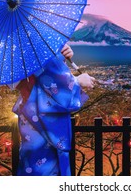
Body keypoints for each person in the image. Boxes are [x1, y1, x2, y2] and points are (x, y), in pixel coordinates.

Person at [12, 44, 95, 176]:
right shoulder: (37, 46)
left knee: (32, 164)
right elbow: (57, 86)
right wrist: (78, 81)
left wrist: (60, 57)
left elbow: (37, 81)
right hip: (45, 121)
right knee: (48, 168)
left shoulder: (17, 48)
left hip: (29, 116)